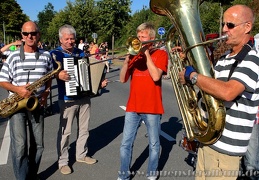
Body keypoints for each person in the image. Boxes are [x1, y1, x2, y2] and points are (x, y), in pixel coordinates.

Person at [178, 5, 259, 180]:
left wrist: (193, 76)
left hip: (226, 151)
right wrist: (189, 79)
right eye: (223, 24)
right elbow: (209, 90)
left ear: (247, 27)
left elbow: (228, 92)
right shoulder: (224, 59)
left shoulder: (253, 59)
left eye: (230, 25)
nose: (224, 29)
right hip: (208, 142)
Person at [50, 24, 108, 175]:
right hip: (67, 98)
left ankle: (81, 155)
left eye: (72, 38)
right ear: (60, 39)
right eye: (67, 39)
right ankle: (63, 162)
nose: (70, 41)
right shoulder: (55, 54)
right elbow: (47, 74)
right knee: (65, 132)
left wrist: (98, 83)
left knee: (84, 129)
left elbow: (89, 72)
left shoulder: (80, 53)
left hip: (84, 97)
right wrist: (57, 75)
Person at [0, 21, 53, 180]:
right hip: (17, 105)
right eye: (26, 34)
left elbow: (50, 75)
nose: (30, 36)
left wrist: (46, 93)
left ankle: (31, 175)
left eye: (33, 33)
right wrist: (18, 90)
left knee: (38, 146)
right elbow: (2, 80)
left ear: (39, 35)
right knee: (20, 146)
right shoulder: (13, 56)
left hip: (37, 104)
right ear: (21, 36)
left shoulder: (46, 55)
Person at [117, 22, 168, 180]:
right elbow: (122, 79)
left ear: (151, 39)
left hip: (152, 107)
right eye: (138, 36)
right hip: (133, 106)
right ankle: (123, 175)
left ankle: (152, 173)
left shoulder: (160, 54)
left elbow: (156, 76)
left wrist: (146, 54)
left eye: (142, 36)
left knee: (153, 144)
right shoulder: (134, 56)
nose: (138, 39)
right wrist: (126, 61)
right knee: (126, 143)